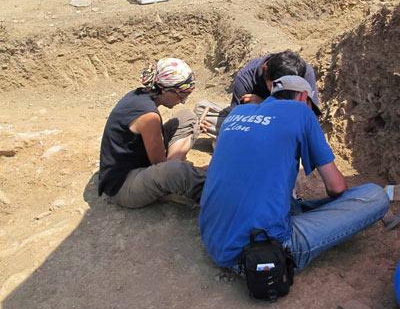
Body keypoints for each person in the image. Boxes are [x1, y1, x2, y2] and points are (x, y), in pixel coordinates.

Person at [200, 74, 389, 272]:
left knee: (278, 195)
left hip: (214, 240)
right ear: (303, 97)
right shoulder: (300, 111)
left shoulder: (238, 112)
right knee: (374, 195)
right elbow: (336, 188)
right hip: (261, 254)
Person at [98, 58, 206, 208]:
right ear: (166, 89)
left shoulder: (139, 95)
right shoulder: (149, 116)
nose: (182, 101)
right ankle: (217, 193)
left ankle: (172, 173)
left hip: (138, 165)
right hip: (123, 187)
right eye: (181, 95)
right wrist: (180, 169)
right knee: (177, 172)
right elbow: (159, 163)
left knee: (187, 117)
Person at [195, 50, 318, 138]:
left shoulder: (305, 73)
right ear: (265, 70)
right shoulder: (246, 77)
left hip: (285, 124)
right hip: (254, 120)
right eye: (275, 86)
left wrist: (262, 104)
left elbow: (310, 119)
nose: (280, 93)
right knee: (201, 108)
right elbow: (235, 119)